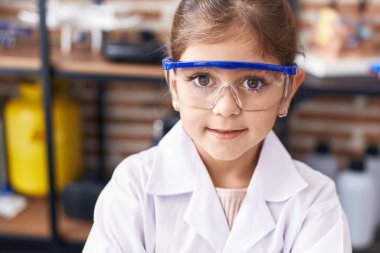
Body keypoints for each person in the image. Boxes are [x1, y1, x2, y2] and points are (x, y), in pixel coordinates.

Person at [83, 0, 352, 252]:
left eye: (253, 82)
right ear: (175, 86)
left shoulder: (315, 202)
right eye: (202, 79)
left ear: (288, 92)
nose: (225, 108)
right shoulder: (133, 188)